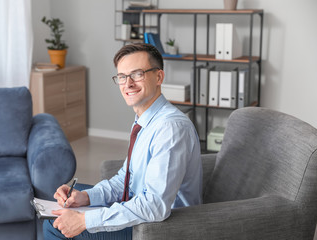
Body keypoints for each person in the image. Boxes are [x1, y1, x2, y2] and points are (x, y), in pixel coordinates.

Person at [44, 43, 203, 240]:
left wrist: (85, 220)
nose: (128, 84)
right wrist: (85, 197)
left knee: (53, 226)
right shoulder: (143, 120)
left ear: (159, 77)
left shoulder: (170, 129)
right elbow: (125, 179)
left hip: (161, 227)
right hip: (139, 208)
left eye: (137, 74)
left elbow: (155, 206)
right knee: (65, 205)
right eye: (122, 77)